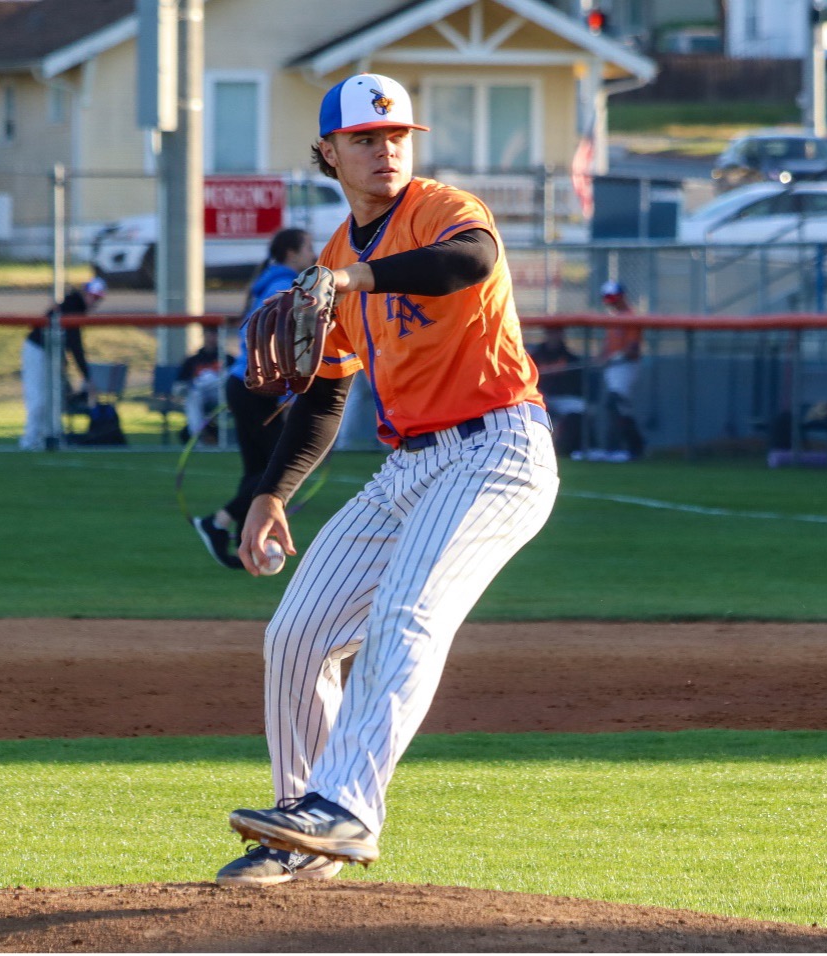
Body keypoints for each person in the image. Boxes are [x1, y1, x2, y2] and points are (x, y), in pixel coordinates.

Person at [215, 73, 559, 887]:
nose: (385, 150)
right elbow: (327, 395)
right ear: (328, 153)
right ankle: (300, 834)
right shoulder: (334, 256)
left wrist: (355, 282)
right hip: (411, 464)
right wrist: (270, 493)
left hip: (496, 450)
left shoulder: (439, 210)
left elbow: (467, 263)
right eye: (365, 139)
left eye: (398, 134)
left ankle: (349, 809)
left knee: (410, 610)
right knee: (297, 636)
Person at [194, 228, 317, 571]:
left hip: (243, 383)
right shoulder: (286, 281)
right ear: (291, 252)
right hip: (257, 388)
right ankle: (218, 522)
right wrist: (292, 391)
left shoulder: (270, 278)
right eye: (308, 246)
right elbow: (270, 336)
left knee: (257, 469)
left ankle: (242, 538)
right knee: (275, 469)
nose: (313, 252)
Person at [19, 278, 106, 451]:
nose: (94, 301)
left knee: (53, 399)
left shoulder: (75, 305)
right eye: (92, 296)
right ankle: (29, 441)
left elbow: (68, 343)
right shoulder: (73, 305)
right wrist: (87, 376)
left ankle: (47, 438)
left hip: (49, 354)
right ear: (84, 293)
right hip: (37, 350)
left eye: (97, 298)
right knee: (38, 398)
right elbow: (75, 344)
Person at [598, 280, 646, 461]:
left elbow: (633, 348)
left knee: (616, 403)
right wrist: (602, 357)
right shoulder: (612, 317)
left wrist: (616, 356)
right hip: (612, 368)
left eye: (614, 298)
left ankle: (630, 447)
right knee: (617, 407)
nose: (611, 302)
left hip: (625, 366)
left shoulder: (631, 317)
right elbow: (606, 346)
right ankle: (629, 448)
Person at [527, 325, 587, 455]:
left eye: (557, 333)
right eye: (551, 333)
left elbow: (576, 385)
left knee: (579, 408)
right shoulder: (535, 356)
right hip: (539, 396)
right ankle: (533, 447)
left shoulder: (569, 356)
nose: (554, 336)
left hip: (562, 397)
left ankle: (567, 448)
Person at [176, 324, 228, 445]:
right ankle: (198, 437)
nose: (211, 337)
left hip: (221, 396)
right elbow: (180, 385)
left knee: (220, 378)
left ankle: (216, 439)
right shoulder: (192, 360)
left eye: (214, 334)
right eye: (208, 333)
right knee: (194, 396)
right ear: (203, 335)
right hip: (199, 395)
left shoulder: (227, 358)